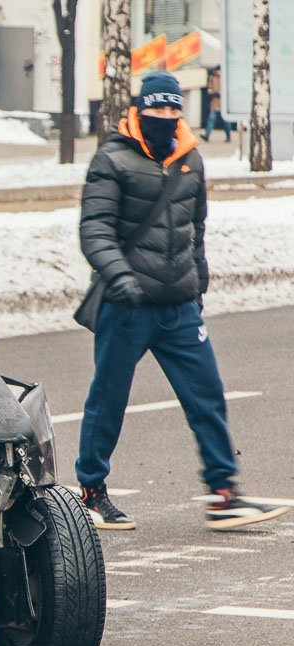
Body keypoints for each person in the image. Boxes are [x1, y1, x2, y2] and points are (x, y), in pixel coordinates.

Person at [75, 71, 288, 532]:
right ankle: (91, 492)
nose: (166, 117)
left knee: (207, 396)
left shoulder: (190, 158)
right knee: (108, 399)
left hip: (179, 306)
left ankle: (223, 493)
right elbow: (95, 230)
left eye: (173, 109)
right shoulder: (113, 158)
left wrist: (199, 282)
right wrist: (120, 278)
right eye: (157, 109)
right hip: (126, 305)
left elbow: (197, 227)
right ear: (139, 109)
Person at [202, 68, 230, 142]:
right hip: (214, 103)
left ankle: (228, 136)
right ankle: (206, 136)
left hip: (223, 103)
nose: (218, 72)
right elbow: (209, 89)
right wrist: (214, 93)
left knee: (226, 121)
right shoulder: (212, 78)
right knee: (211, 120)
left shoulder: (225, 78)